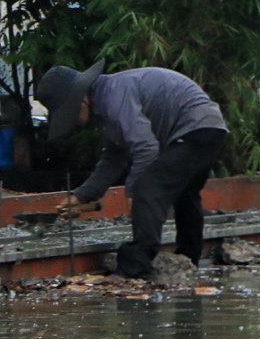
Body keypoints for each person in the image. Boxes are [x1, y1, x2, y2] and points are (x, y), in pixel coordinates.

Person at [35, 62, 230, 278]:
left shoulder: (114, 98)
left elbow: (146, 148)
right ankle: (188, 257)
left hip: (195, 128)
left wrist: (132, 192)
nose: (74, 123)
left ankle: (134, 267)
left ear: (80, 101)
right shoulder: (106, 104)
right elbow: (113, 159)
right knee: (185, 195)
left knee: (148, 186)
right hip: (210, 128)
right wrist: (81, 196)